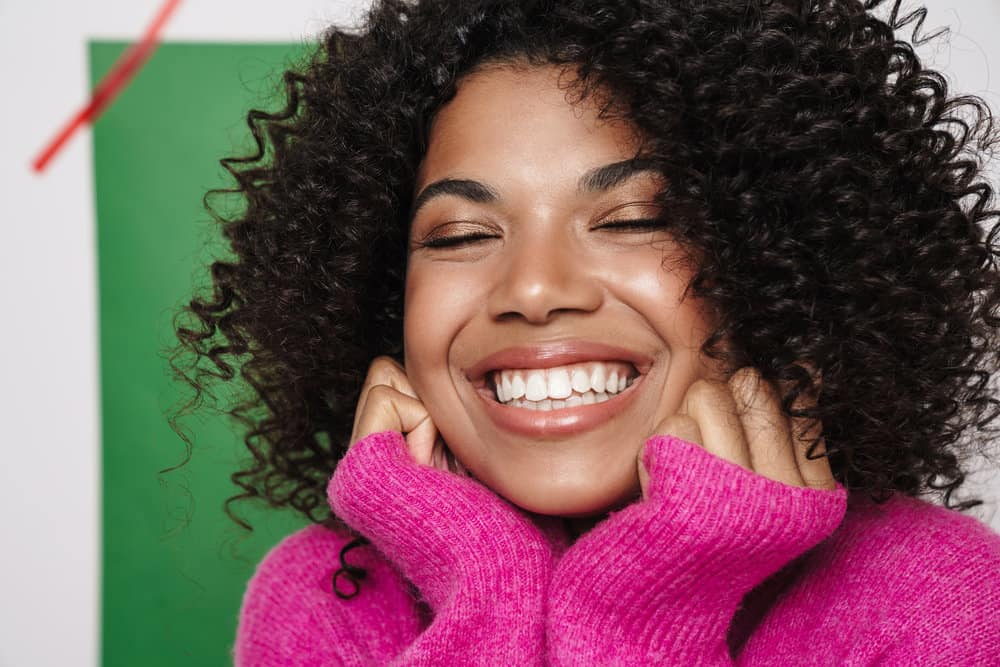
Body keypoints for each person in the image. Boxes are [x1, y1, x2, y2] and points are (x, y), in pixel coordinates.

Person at [171, 0, 1000, 663]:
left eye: (635, 218)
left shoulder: (938, 607)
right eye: (460, 234)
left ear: (775, 260)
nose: (534, 289)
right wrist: (482, 584)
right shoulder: (325, 603)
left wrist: (653, 607)